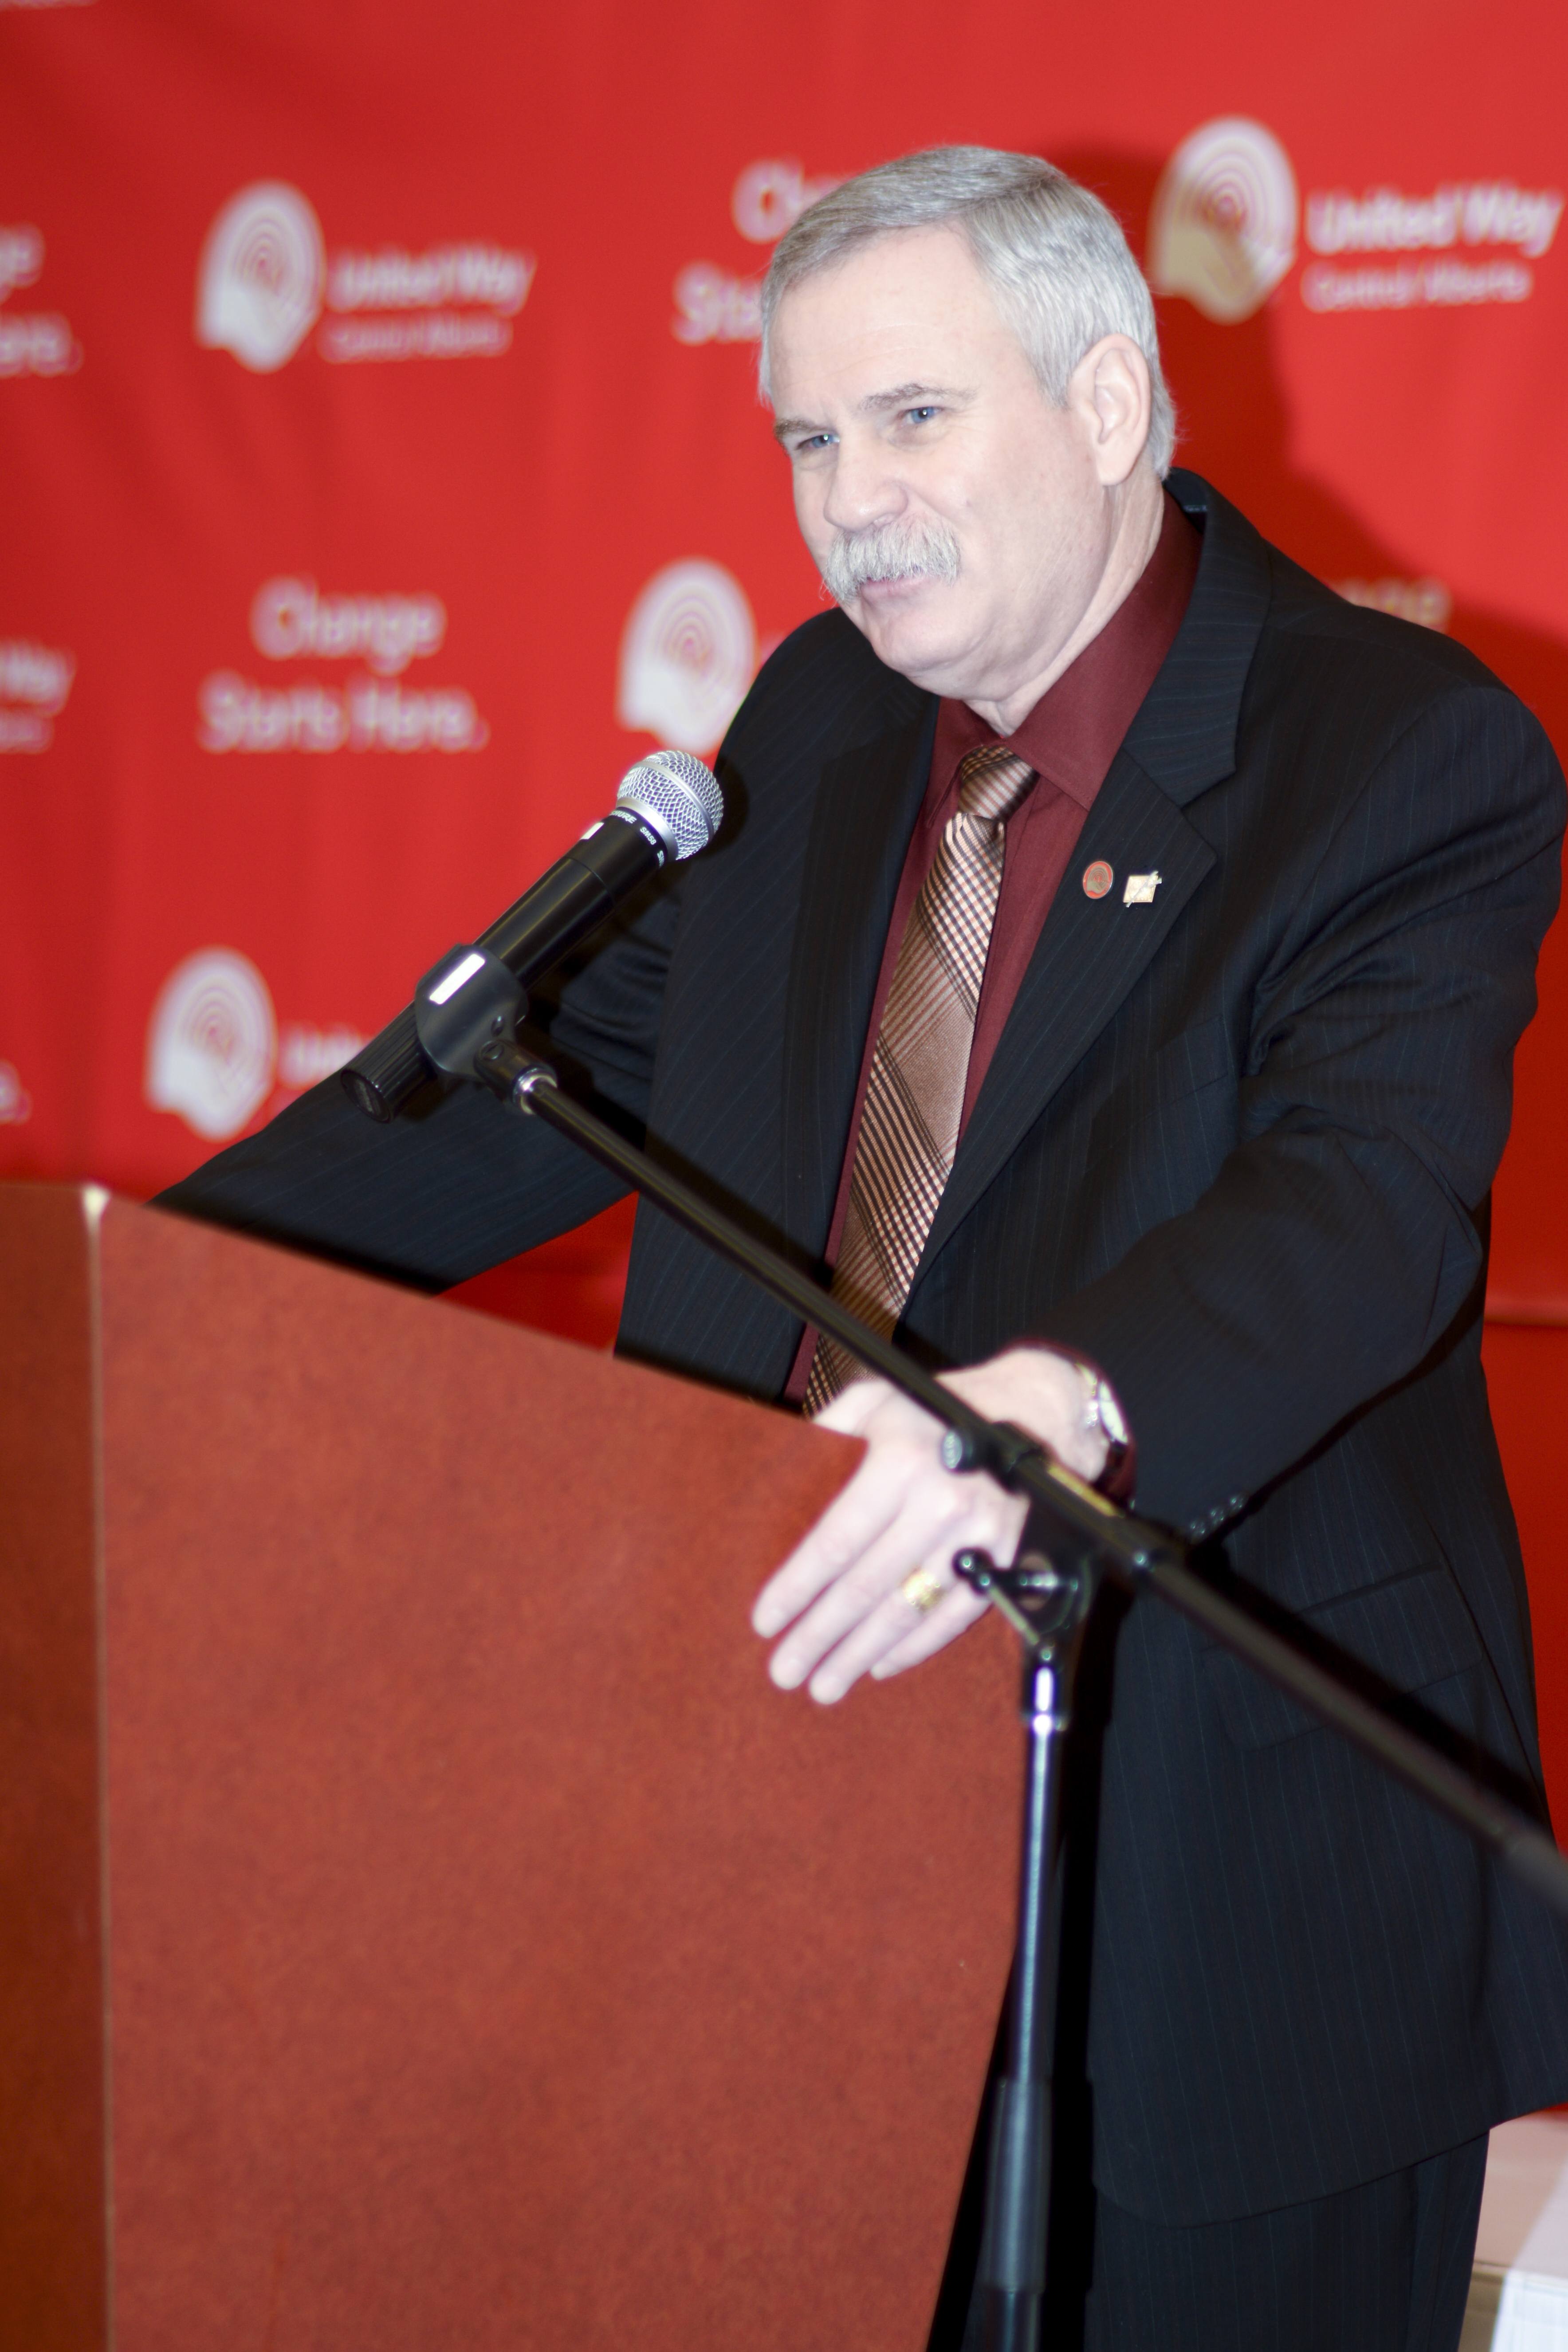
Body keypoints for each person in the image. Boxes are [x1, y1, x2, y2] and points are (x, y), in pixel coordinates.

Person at [161, 148, 1568, 2348]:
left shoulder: (1392, 756)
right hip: (777, 1845)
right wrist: (119, 1295)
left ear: (1105, 405)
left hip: (1231, 1892)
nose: (844, 498)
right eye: (806, 439)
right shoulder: (816, 720)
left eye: (913, 419)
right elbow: (543, 1082)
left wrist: (1067, 1400)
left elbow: (1357, 1203)